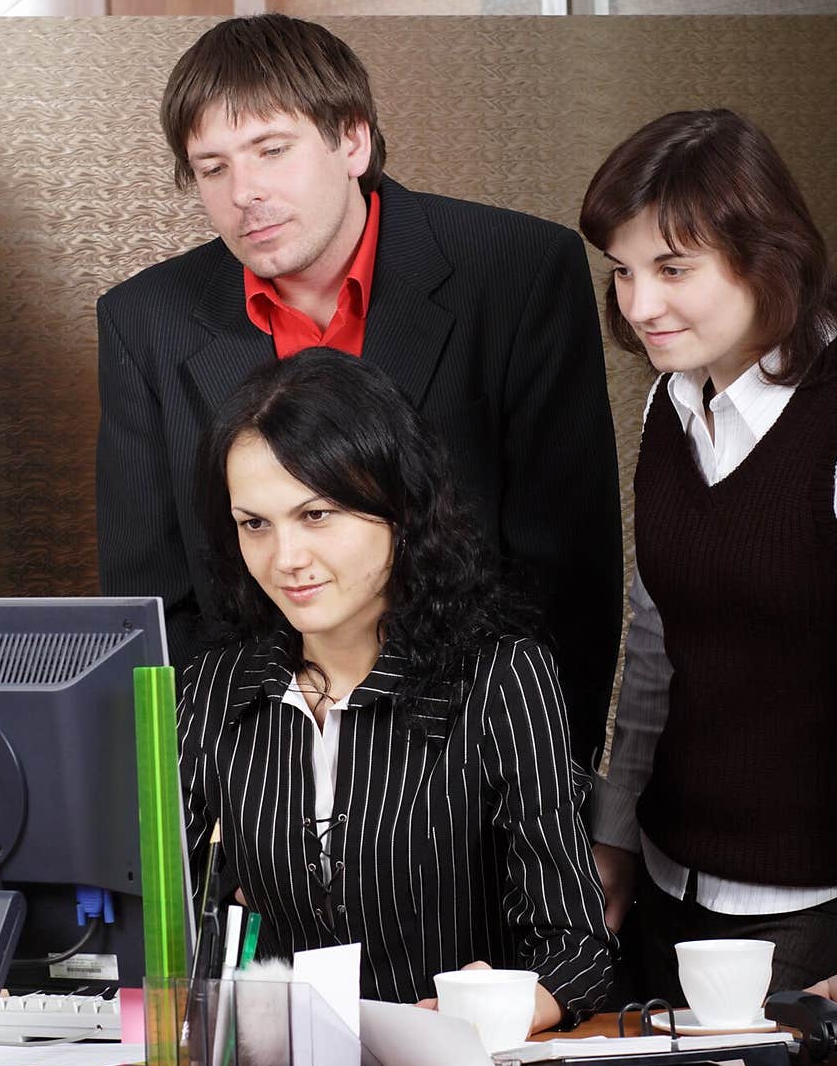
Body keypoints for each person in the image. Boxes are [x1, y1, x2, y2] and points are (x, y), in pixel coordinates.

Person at [95, 12, 622, 769]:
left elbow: (568, 569)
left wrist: (555, 790)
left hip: (479, 757)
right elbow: (151, 604)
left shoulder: (514, 269)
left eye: (271, 151)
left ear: (352, 141)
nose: (245, 193)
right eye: (213, 168)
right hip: (259, 772)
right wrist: (204, 797)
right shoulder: (146, 320)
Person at [177, 347, 614, 1027]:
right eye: (254, 524)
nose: (286, 558)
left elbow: (577, 947)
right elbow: (147, 920)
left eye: (316, 515)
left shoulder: (498, 675)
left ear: (399, 508)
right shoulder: (217, 688)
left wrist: (507, 1005)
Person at [579, 108, 837, 1003]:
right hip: (671, 878)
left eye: (672, 269)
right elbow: (655, 649)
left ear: (764, 256)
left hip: (819, 906)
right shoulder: (672, 405)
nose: (639, 304)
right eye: (622, 271)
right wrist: (614, 837)